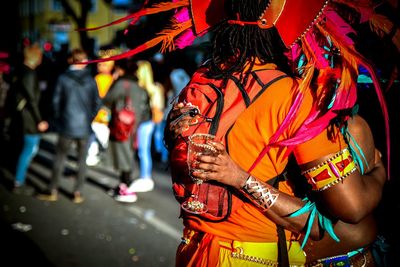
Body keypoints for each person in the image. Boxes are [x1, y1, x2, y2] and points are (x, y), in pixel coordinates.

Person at [82, 0, 391, 265]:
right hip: (256, 256)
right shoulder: (290, 95)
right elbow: (351, 208)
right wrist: (378, 170)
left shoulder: (201, 79)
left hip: (194, 251)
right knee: (364, 235)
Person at [37, 48, 100, 203]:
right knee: (81, 161)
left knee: (59, 158)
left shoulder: (63, 78)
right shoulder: (91, 80)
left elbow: (55, 102)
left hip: (66, 125)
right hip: (84, 126)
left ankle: (52, 190)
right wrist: (89, 118)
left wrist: (59, 119)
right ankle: (77, 192)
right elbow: (97, 103)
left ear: (71, 60)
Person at [102, 58, 152, 203]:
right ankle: (123, 185)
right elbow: (145, 109)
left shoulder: (120, 84)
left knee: (123, 156)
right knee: (127, 154)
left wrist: (114, 81)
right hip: (134, 126)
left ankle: (127, 188)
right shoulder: (139, 86)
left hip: (121, 125)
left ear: (121, 69)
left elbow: (107, 100)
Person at [10, 44, 49, 189]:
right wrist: (39, 120)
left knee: (26, 148)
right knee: (29, 148)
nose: (41, 58)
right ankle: (18, 179)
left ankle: (18, 176)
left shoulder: (19, 70)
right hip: (29, 118)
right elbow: (32, 99)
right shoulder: (29, 74)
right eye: (39, 56)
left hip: (20, 116)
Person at [126, 60, 164, 193]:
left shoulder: (142, 88)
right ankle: (145, 176)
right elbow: (159, 106)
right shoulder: (154, 87)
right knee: (144, 149)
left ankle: (145, 177)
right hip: (148, 122)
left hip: (143, 122)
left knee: (143, 150)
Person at [86, 54, 115, 166]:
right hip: (106, 112)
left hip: (98, 112)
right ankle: (93, 155)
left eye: (101, 64)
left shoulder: (97, 79)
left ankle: (92, 155)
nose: (98, 66)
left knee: (95, 135)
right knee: (99, 135)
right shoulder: (112, 79)